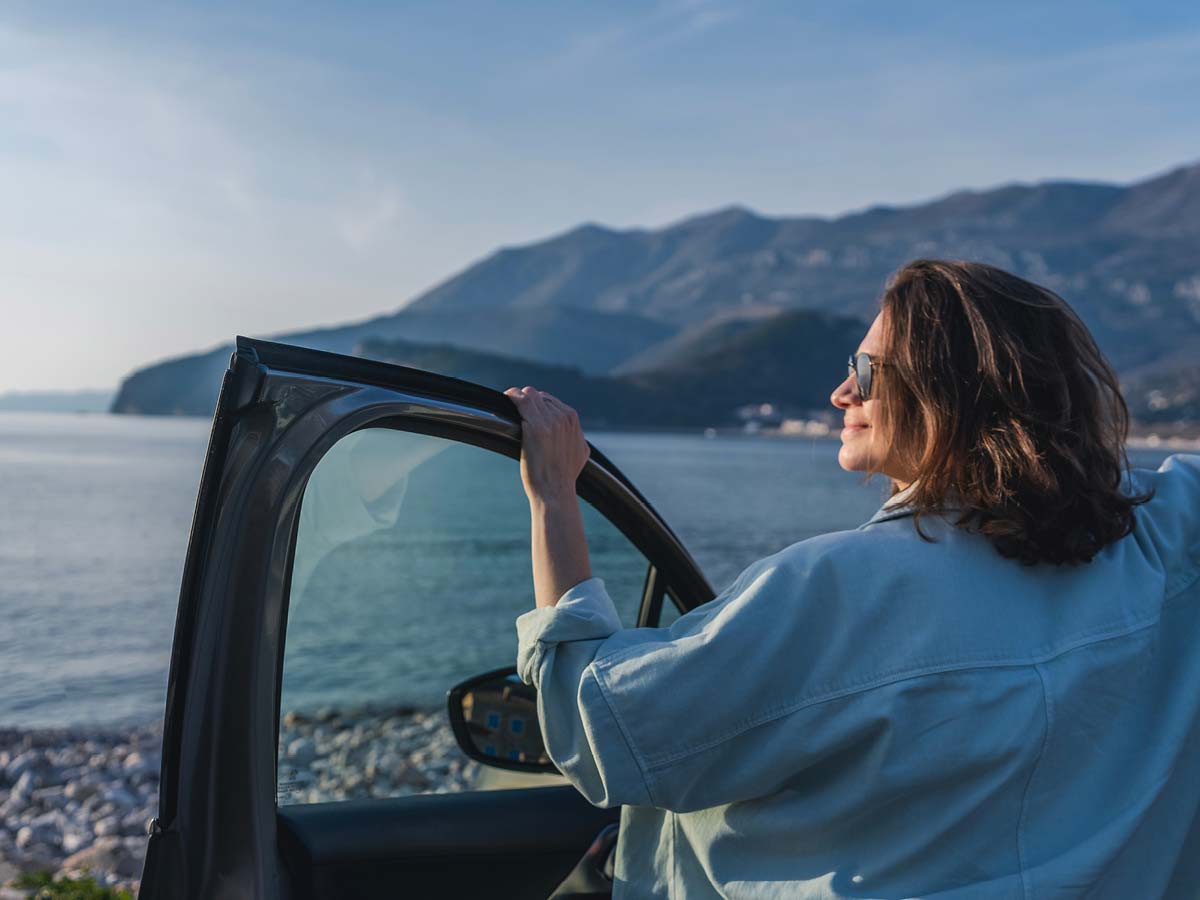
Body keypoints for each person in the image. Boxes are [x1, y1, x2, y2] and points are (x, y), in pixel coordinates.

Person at [503, 259, 1200, 899]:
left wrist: (554, 497)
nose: (840, 393)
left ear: (948, 394)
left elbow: (602, 729)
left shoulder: (834, 591)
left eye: (865, 373)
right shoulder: (1159, 546)